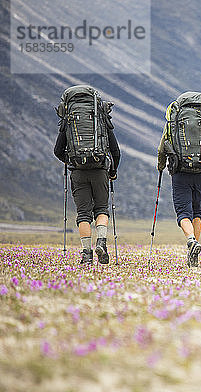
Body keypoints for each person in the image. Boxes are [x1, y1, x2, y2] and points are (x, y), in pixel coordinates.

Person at [53, 85, 120, 265]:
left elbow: (58, 150)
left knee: (83, 214)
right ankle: (101, 242)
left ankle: (86, 254)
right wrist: (112, 171)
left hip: (78, 173)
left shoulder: (69, 119)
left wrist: (72, 161)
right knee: (101, 209)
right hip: (100, 171)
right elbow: (115, 150)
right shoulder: (100, 117)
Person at [157, 91, 201, 268]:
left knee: (183, 213)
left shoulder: (174, 117)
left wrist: (161, 165)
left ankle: (191, 241)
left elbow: (164, 144)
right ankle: (193, 256)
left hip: (180, 171)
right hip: (200, 171)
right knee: (197, 212)